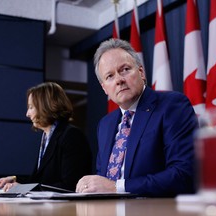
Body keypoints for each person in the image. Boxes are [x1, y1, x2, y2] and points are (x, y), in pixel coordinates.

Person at [76, 38, 198, 197]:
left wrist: (116, 187)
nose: (119, 80)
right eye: (110, 76)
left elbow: (184, 174)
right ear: (104, 88)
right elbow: (104, 179)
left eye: (125, 69)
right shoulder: (105, 124)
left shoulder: (173, 106)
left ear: (141, 72)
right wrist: (90, 185)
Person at [0, 82, 92, 192]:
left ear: (45, 106)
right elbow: (39, 180)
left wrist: (22, 188)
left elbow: (70, 184)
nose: (27, 114)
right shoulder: (46, 136)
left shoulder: (71, 136)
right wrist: (13, 179)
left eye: (31, 107)